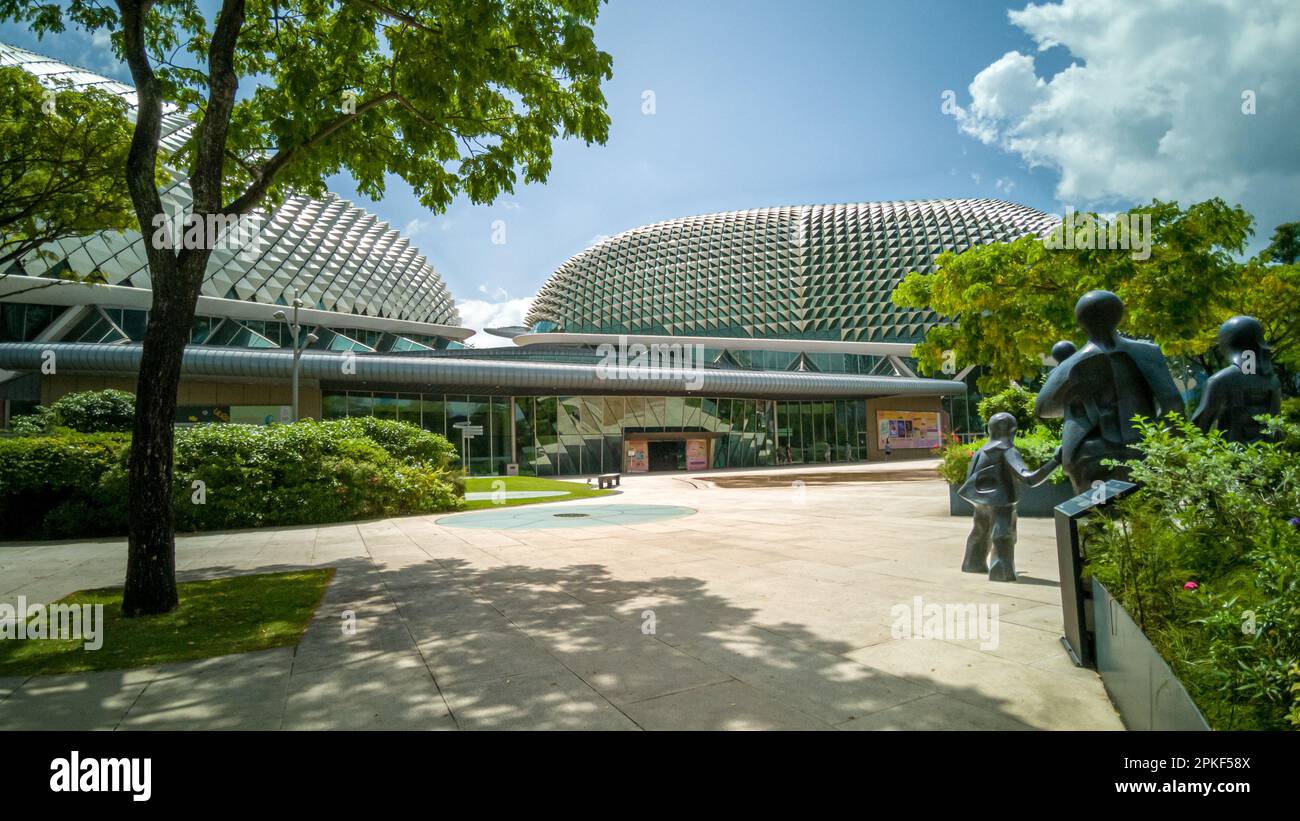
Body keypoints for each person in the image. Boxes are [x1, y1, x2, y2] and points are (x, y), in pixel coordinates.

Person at [1036, 291, 1182, 493]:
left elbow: (1043, 407)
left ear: (1081, 321)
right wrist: (1171, 450)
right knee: (1148, 516)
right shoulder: (1148, 352)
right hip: (1143, 448)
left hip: (1089, 453)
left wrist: (1075, 396)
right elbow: (1173, 404)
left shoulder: (1071, 364)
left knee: (1096, 516)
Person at [958, 413, 1060, 582]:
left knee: (980, 529)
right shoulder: (1008, 451)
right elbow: (1029, 478)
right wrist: (1056, 461)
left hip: (980, 498)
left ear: (989, 430)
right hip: (1001, 499)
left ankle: (972, 563)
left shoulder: (981, 451)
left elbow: (970, 477)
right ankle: (1001, 571)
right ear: (1013, 431)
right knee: (1003, 533)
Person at [1193, 315, 1281, 443]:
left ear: (1226, 343)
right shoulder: (1273, 381)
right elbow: (1276, 428)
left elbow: (1198, 429)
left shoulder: (1221, 380)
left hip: (1231, 458)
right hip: (1268, 457)